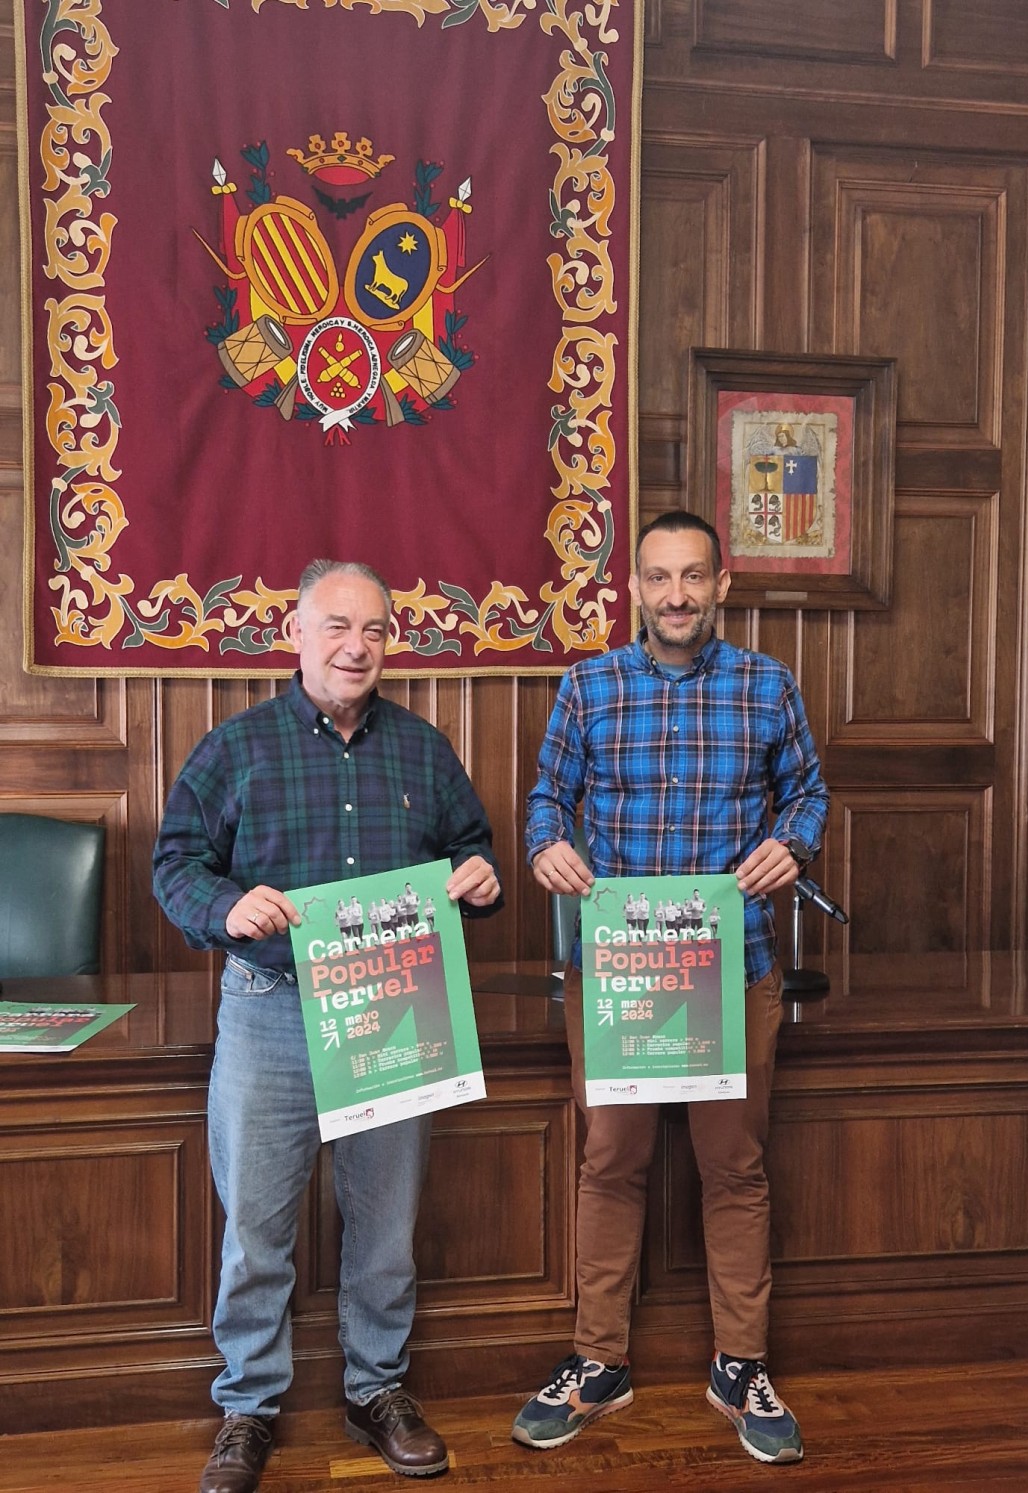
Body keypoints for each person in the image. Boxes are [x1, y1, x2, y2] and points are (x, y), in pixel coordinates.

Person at [153, 559, 502, 1493]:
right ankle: (248, 1405)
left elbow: (472, 848)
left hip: (396, 1008)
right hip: (270, 1015)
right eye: (338, 627)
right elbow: (176, 862)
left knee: (386, 1227)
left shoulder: (425, 750)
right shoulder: (235, 748)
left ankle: (377, 1388)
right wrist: (226, 910)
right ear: (296, 636)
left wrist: (481, 878)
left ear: (392, 641)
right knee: (255, 1231)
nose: (358, 647)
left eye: (376, 630)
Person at [514, 510, 828, 1466]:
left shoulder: (767, 686)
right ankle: (598, 1361)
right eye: (659, 577)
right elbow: (545, 802)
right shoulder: (588, 686)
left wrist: (793, 841)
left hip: (733, 968)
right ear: (634, 588)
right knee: (611, 1165)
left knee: (735, 1170)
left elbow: (807, 791)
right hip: (620, 974)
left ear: (721, 585)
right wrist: (546, 848)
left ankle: (741, 1364)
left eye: (694, 576)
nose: (677, 594)